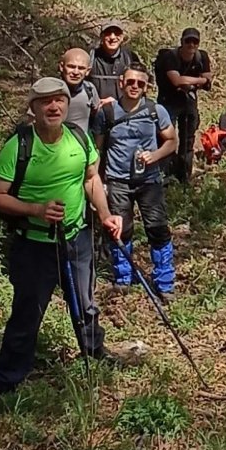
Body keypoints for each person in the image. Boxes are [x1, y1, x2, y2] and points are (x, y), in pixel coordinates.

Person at [0, 78, 123, 394]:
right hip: (34, 244)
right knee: (27, 314)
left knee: (86, 305)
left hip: (77, 238)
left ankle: (94, 354)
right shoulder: (18, 146)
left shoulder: (78, 136)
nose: (54, 106)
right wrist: (35, 208)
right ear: (32, 108)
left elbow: (91, 179)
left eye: (59, 100)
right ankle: (6, 383)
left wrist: (105, 215)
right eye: (45, 101)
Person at [92, 64, 178, 297]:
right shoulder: (106, 113)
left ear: (146, 86)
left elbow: (172, 140)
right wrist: (96, 184)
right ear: (121, 82)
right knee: (122, 230)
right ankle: (123, 278)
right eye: (130, 82)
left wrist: (155, 155)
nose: (135, 86)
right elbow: (97, 151)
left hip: (149, 180)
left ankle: (164, 281)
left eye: (140, 83)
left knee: (157, 228)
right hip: (118, 180)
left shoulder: (155, 111)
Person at [154, 27, 213, 184]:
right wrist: (198, 80)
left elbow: (208, 80)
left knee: (188, 140)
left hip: (188, 101)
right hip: (169, 102)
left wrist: (190, 81)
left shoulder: (202, 57)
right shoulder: (170, 57)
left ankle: (184, 176)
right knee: (165, 138)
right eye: (188, 41)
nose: (191, 45)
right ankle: (162, 175)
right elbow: (177, 80)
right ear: (182, 41)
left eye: (195, 41)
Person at [87, 21, 142, 105]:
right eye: (108, 33)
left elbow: (139, 85)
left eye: (117, 33)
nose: (112, 37)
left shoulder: (131, 57)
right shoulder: (90, 55)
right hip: (95, 109)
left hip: (123, 110)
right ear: (101, 36)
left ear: (122, 37)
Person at [58, 47, 100, 133]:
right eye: (71, 66)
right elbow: (33, 120)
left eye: (81, 68)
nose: (76, 72)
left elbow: (96, 112)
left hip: (80, 144)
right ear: (62, 67)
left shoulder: (90, 89)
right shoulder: (49, 90)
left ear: (87, 71)